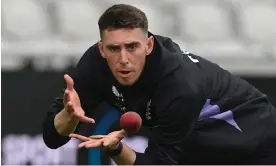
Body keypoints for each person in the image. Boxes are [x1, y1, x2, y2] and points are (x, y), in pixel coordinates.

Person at [42, 4, 276, 165]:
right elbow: (52, 138)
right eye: (114, 48)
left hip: (257, 147)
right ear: (102, 48)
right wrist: (69, 116)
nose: (123, 59)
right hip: (202, 146)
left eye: (132, 46)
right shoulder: (95, 64)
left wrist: (115, 149)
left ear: (149, 45)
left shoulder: (179, 85)